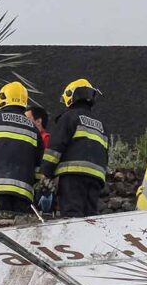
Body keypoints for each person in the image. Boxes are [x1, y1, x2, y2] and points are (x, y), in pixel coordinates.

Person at [0, 81, 45, 213]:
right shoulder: (33, 129)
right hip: (23, 191)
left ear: (3, 98)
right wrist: (36, 184)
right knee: (18, 228)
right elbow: (39, 165)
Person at [41, 79, 109, 218]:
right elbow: (105, 152)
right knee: (90, 217)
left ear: (71, 96)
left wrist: (45, 172)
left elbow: (55, 148)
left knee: (73, 214)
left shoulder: (68, 117)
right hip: (96, 178)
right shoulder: (101, 124)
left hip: (73, 176)